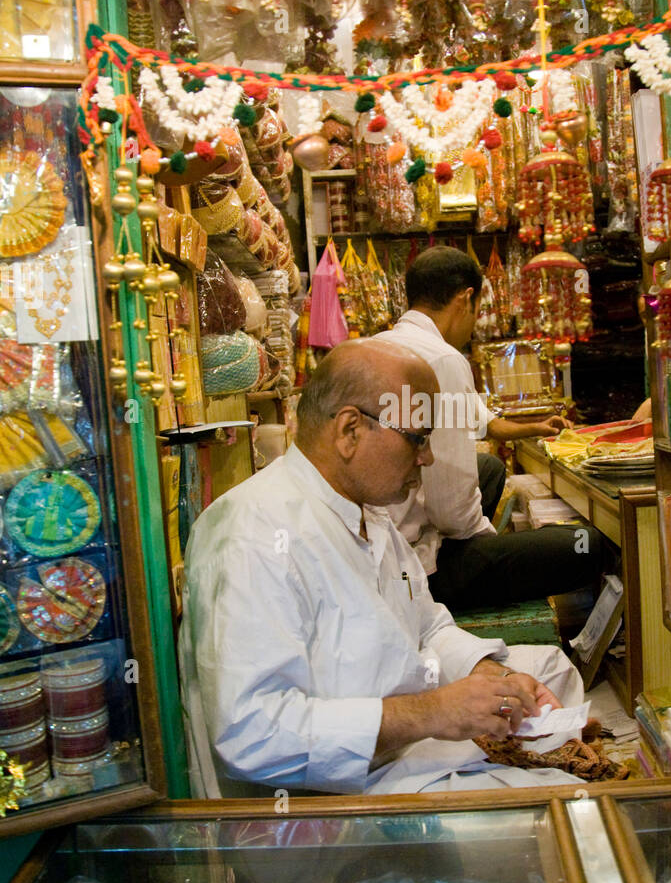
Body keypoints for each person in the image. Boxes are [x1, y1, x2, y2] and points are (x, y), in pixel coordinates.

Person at [178, 339, 588, 797]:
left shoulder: (365, 511)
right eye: (418, 438)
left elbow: (427, 627)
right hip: (332, 801)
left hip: (400, 751)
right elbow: (253, 734)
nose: (427, 457)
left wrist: (486, 675)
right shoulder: (254, 533)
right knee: (559, 805)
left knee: (549, 674)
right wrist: (431, 712)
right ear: (350, 430)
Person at [373, 247, 603, 611]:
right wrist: (490, 544)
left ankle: (467, 559)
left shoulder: (383, 344)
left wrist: (535, 427)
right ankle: (463, 578)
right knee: (587, 544)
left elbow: (483, 423)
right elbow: (453, 511)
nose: (475, 323)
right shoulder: (442, 359)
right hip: (411, 569)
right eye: (478, 311)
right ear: (466, 299)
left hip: (376, 543)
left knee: (491, 469)